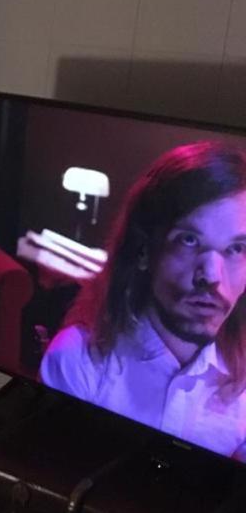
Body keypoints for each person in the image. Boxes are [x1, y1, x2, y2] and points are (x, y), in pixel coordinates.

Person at [40, 140, 246, 458]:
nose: (212, 276)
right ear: (144, 251)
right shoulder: (79, 360)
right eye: (189, 240)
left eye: (236, 249)